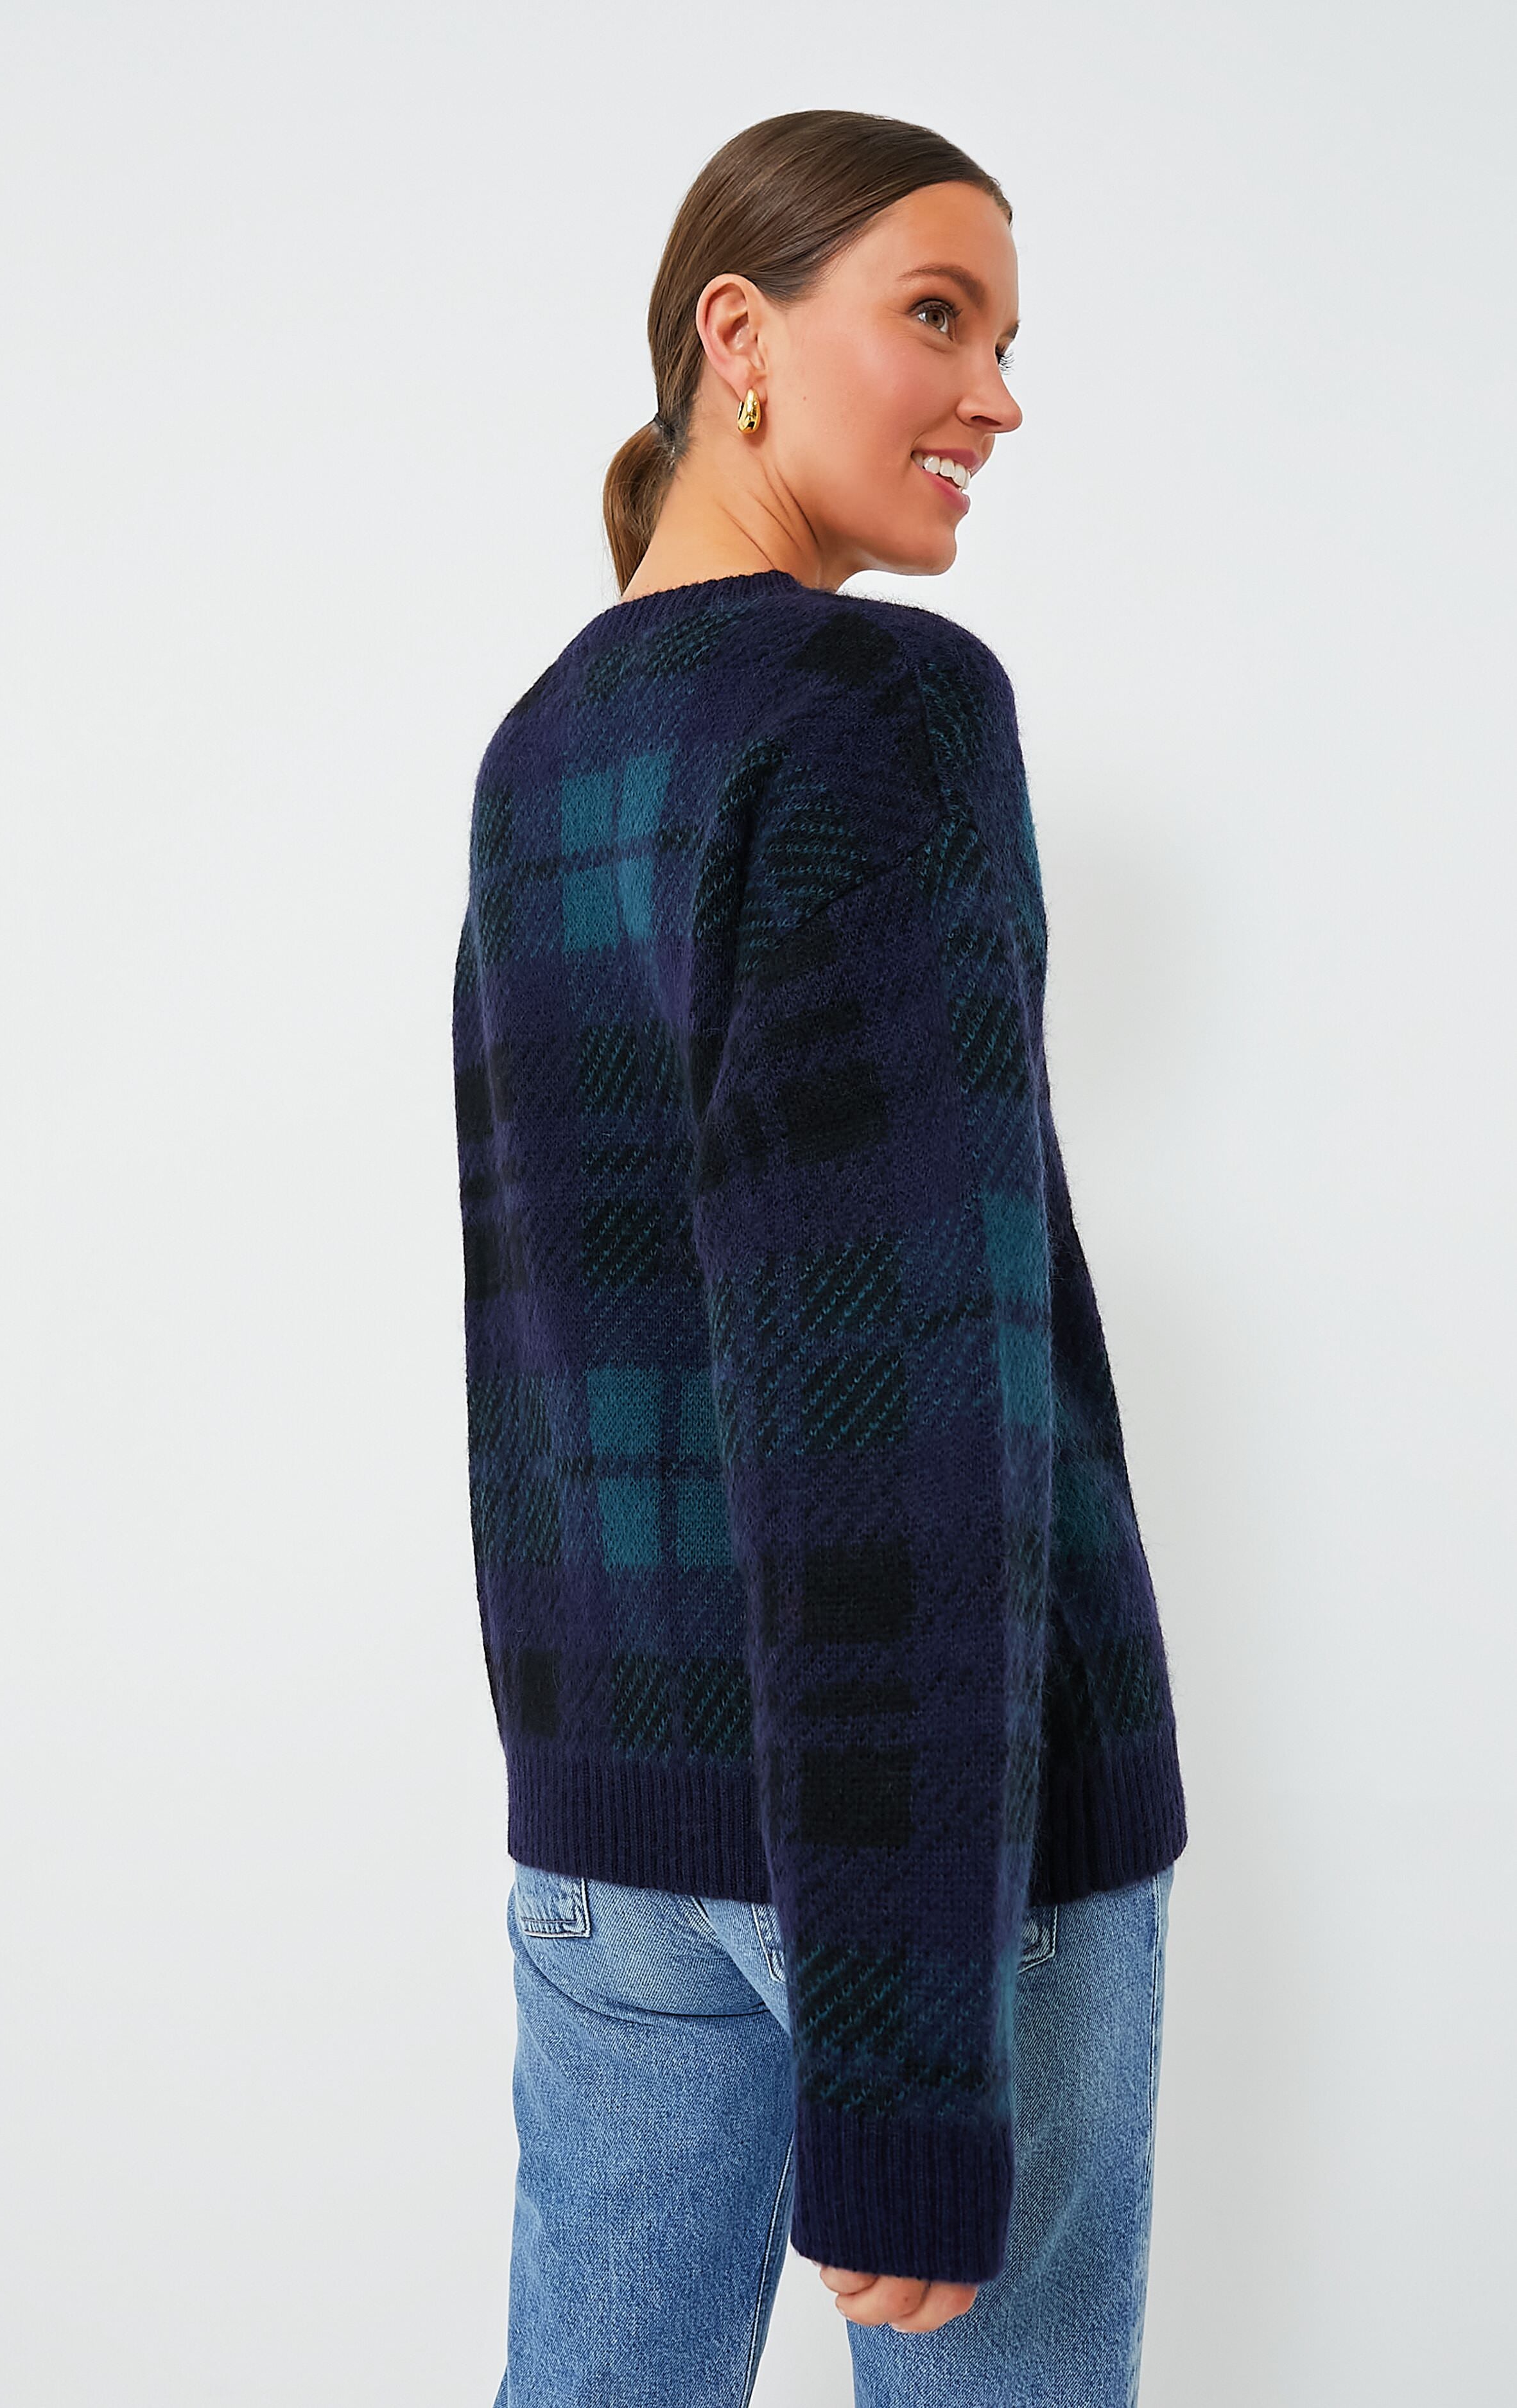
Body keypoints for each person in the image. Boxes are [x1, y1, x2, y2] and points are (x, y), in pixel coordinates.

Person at [453, 107, 1188, 2407]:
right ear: (739, 339)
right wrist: (900, 2057)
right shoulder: (877, 708)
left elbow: (548, 1366)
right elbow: (887, 1386)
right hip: (931, 1873)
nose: (994, 397)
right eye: (936, 316)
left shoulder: (544, 745)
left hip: (609, 1843)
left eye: (1007, 341)